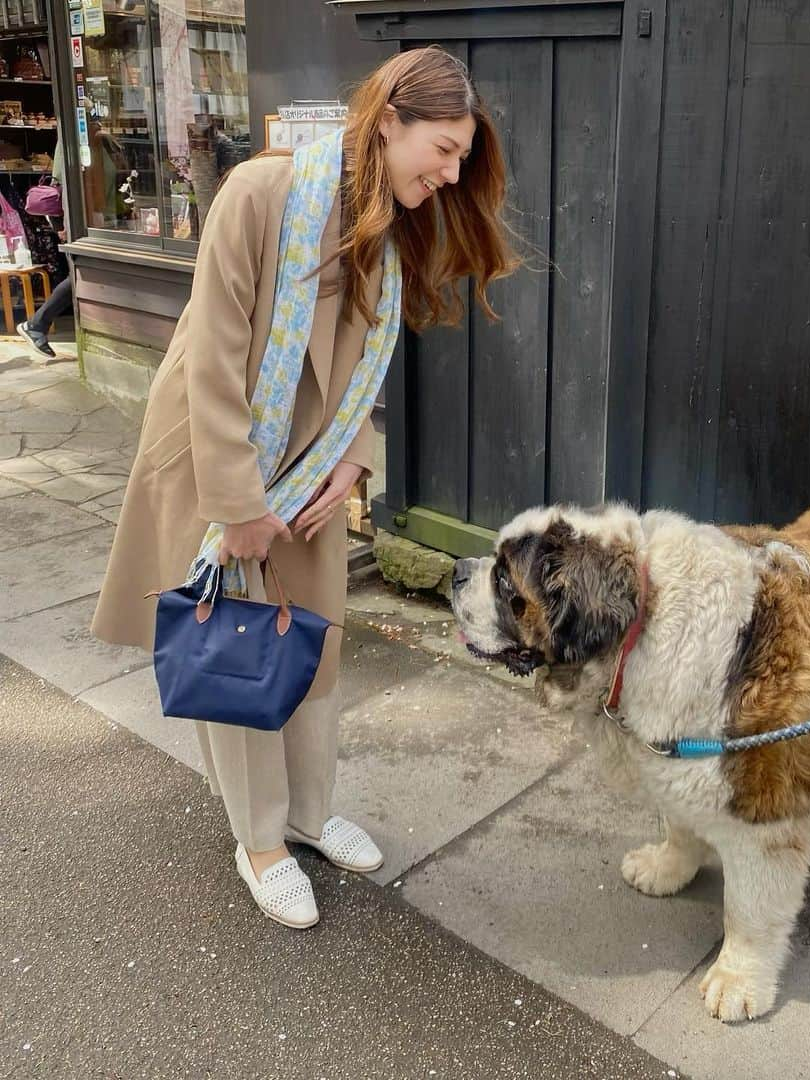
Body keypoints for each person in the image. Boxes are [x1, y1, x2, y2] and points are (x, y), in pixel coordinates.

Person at [91, 47, 516, 928]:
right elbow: (210, 359)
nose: (449, 174)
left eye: (461, 160)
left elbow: (362, 361)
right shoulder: (260, 194)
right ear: (389, 119)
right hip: (227, 461)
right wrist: (239, 506)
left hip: (314, 466)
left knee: (312, 644)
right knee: (239, 649)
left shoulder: (383, 222)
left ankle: (311, 813)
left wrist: (358, 458)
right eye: (442, 149)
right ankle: (261, 841)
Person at [17, 127, 73, 360]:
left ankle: (37, 324)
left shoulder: (103, 142)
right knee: (79, 277)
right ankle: (36, 324)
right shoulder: (70, 144)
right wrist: (61, 224)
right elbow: (60, 186)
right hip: (78, 221)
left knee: (79, 277)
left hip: (105, 220)